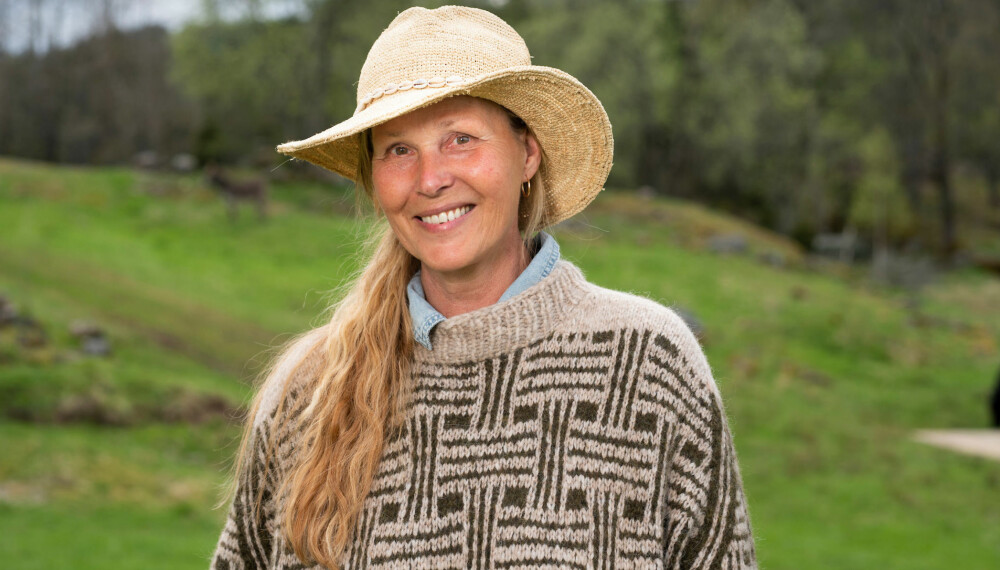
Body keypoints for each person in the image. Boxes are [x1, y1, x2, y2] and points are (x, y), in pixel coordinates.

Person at [211, 6, 756, 569]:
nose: (430, 179)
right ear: (375, 181)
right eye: (399, 150)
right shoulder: (307, 396)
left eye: (461, 139)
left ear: (526, 154)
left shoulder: (649, 366)